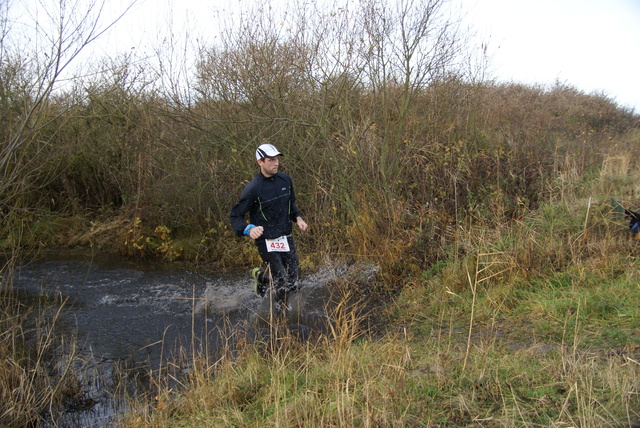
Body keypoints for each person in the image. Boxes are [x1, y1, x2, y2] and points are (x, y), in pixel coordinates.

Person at [230, 143, 308, 312]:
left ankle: (263, 278)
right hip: (266, 240)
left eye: (277, 159)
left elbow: (290, 204)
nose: (276, 163)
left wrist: (298, 218)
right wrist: (248, 229)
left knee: (295, 281)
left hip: (285, 237)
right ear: (260, 162)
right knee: (281, 280)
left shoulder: (285, 180)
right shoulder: (252, 188)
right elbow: (235, 216)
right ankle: (283, 318)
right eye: (271, 160)